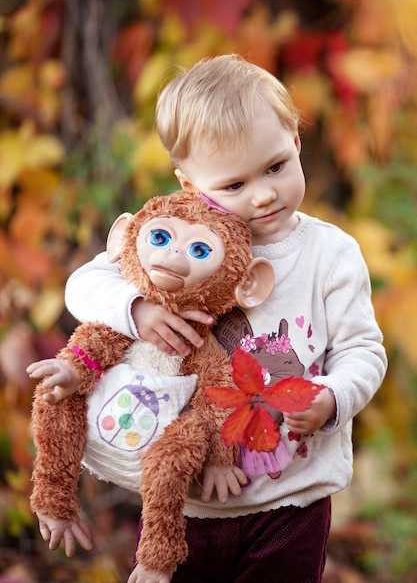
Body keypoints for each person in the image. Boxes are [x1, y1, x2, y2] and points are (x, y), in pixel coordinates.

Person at [34, 54, 387, 582]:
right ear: (190, 184)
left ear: (294, 141)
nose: (263, 194)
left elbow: (363, 350)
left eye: (275, 167)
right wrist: (139, 310)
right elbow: (83, 284)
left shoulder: (330, 255)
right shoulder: (177, 241)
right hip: (188, 503)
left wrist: (333, 398)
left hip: (292, 502)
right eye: (233, 186)